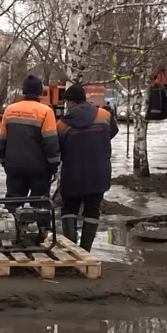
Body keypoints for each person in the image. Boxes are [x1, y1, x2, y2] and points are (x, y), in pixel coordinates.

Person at [56, 84, 119, 251]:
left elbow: (57, 148)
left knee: (69, 209)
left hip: (73, 174)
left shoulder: (62, 124)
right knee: (92, 211)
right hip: (99, 172)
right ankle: (85, 250)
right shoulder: (104, 115)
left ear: (69, 102)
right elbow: (112, 133)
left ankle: (71, 250)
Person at [0, 75, 60, 205]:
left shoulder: (10, 110)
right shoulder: (46, 111)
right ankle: (42, 225)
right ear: (39, 92)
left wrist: (4, 161)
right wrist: (54, 166)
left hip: (13, 165)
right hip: (39, 167)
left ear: (24, 91)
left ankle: (15, 223)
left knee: (13, 201)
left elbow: (3, 139)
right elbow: (50, 142)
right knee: (40, 202)